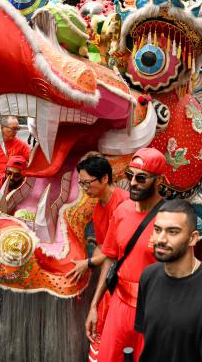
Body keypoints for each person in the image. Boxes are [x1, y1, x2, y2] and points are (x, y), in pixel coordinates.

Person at [85, 147, 166, 362]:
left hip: (154, 311)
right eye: (130, 176)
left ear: (159, 180)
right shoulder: (121, 211)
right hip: (119, 306)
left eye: (141, 178)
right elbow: (110, 258)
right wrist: (95, 306)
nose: (133, 183)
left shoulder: (172, 218)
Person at [134, 199, 202, 362]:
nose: (161, 239)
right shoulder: (148, 277)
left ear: (193, 238)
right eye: (157, 229)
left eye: (173, 231)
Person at [71, 154, 129, 360]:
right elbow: (104, 246)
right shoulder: (98, 207)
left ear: (104, 178)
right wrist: (85, 265)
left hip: (125, 279)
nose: (84, 188)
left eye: (87, 182)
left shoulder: (124, 204)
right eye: (81, 183)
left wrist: (87, 263)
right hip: (112, 274)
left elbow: (114, 252)